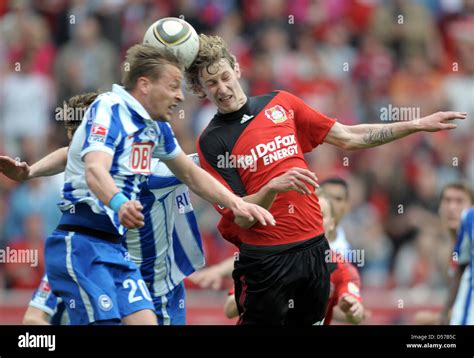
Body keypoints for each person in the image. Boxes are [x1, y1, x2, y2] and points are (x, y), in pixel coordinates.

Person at [185, 34, 466, 325]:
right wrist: (272, 187)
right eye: (211, 83)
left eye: (225, 76)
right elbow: (240, 216)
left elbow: (349, 136)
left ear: (237, 69)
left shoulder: (282, 104)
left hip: (314, 251)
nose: (222, 88)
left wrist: (416, 124)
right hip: (266, 260)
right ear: (200, 90)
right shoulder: (212, 141)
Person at [42, 43, 274, 325]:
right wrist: (119, 202)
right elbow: (93, 168)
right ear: (145, 85)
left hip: (120, 252)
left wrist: (237, 202)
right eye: (174, 86)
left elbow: (190, 172)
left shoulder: (155, 128)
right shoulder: (108, 107)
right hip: (83, 244)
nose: (180, 96)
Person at [414, 182, 473, 324]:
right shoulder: (441, 248)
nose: (452, 208)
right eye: (447, 201)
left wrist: (434, 319)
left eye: (459, 201)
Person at [320, 177, 352, 255]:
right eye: (326, 197)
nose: (331, 202)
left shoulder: (351, 255)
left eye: (338, 199)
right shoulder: (299, 246)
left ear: (347, 206)